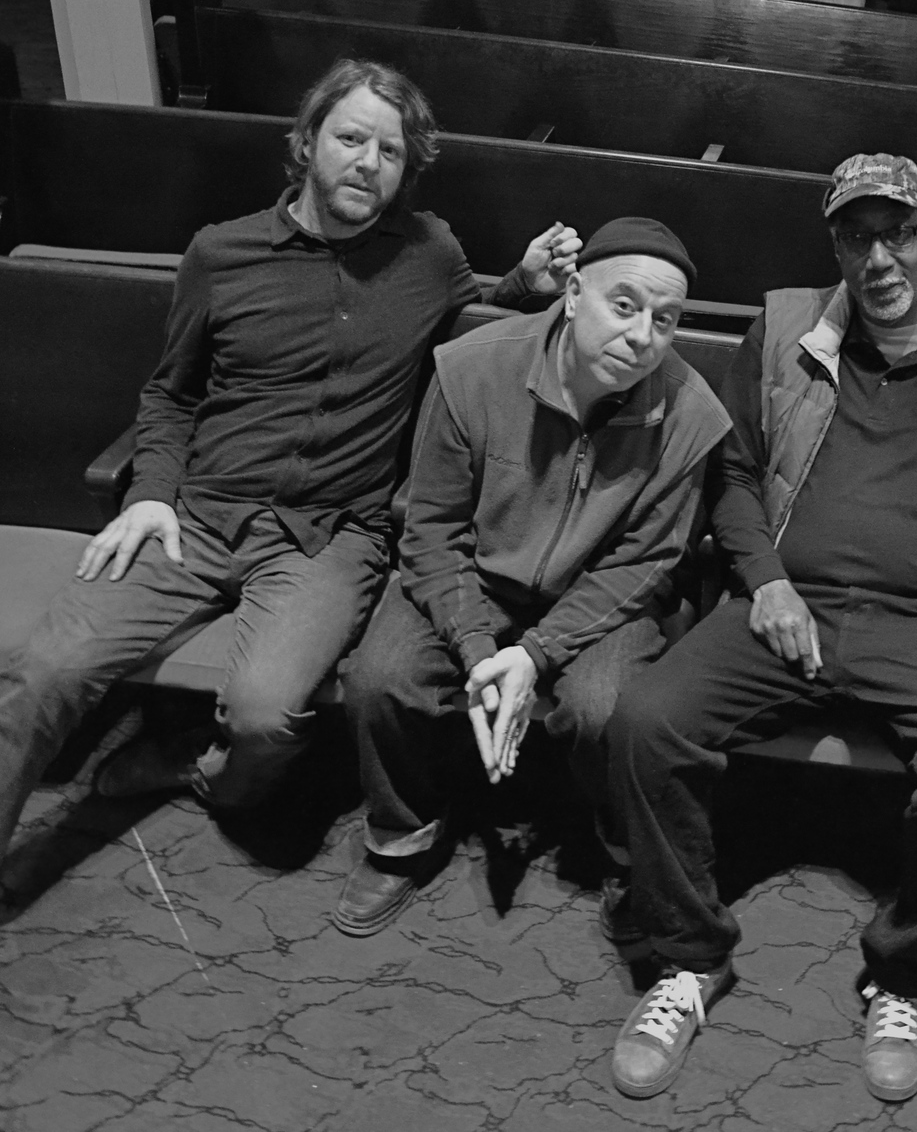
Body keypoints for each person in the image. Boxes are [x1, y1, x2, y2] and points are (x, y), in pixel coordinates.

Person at [0, 58, 579, 869]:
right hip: (198, 515)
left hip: (328, 537)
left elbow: (468, 327)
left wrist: (523, 283)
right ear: (307, 143)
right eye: (351, 139)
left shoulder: (429, 252)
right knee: (45, 670)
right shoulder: (220, 253)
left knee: (265, 719)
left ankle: (200, 773)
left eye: (390, 151)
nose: (368, 163)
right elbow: (171, 393)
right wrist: (152, 494)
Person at [601, 153, 917, 1102]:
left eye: (898, 233)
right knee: (643, 723)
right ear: (836, 247)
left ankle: (906, 971)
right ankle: (688, 957)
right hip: (787, 604)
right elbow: (732, 476)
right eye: (857, 237)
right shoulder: (782, 330)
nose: (879, 258)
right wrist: (764, 582)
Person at [333, 218, 731, 935]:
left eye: (665, 319)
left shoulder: (691, 413)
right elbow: (432, 529)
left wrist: (535, 653)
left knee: (607, 709)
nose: (642, 336)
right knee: (380, 680)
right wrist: (477, 649)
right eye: (624, 305)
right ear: (574, 294)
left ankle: (623, 847)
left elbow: (645, 562)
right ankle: (402, 832)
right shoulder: (472, 369)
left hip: (600, 591)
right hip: (479, 574)